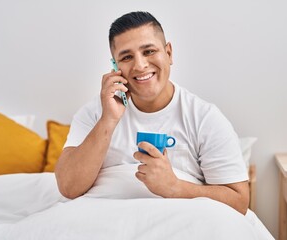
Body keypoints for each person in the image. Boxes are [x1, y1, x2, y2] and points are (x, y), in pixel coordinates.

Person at [55, 11, 249, 215]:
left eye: (148, 51)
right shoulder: (95, 113)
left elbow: (239, 200)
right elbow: (69, 187)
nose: (140, 65)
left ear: (169, 53)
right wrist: (108, 120)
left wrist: (175, 187)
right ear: (115, 66)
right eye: (127, 57)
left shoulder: (204, 117)